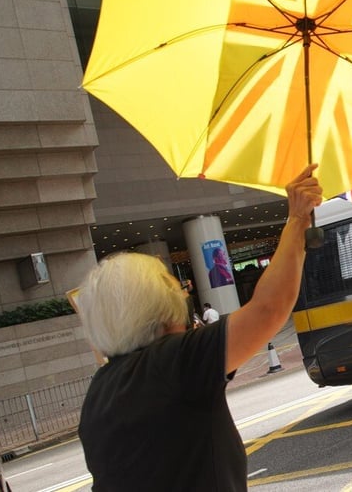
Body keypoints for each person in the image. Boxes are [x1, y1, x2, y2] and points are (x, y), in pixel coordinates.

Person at [76, 164, 323, 491]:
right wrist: (297, 219)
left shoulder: (100, 390)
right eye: (174, 288)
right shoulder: (169, 363)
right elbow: (267, 309)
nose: (183, 293)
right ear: (159, 307)